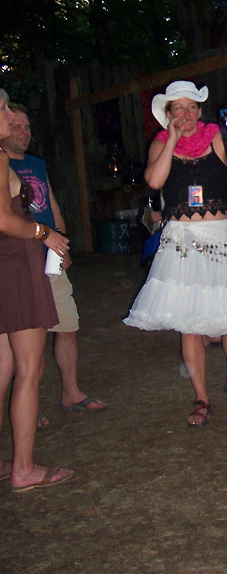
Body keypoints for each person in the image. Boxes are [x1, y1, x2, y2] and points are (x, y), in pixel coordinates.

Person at [124, 81, 227, 427]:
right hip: (181, 239)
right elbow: (154, 181)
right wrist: (169, 141)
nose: (186, 114)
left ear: (200, 111)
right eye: (178, 108)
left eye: (192, 107)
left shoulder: (217, 137)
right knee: (190, 322)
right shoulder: (159, 143)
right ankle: (201, 396)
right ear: (168, 115)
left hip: (221, 235)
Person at [5, 105, 107, 423]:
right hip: (19, 259)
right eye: (17, 126)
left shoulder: (36, 163)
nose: (24, 132)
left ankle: (71, 392)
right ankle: (27, 407)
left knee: (66, 324)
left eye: (27, 127)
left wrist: (62, 242)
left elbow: (50, 201)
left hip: (50, 252)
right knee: (26, 337)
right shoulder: (0, 164)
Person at [0, 89, 73, 492]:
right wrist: (44, 233)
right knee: (30, 369)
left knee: (4, 368)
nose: (10, 116)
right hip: (15, 262)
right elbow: (6, 221)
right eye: (4, 109)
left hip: (3, 265)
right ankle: (24, 469)